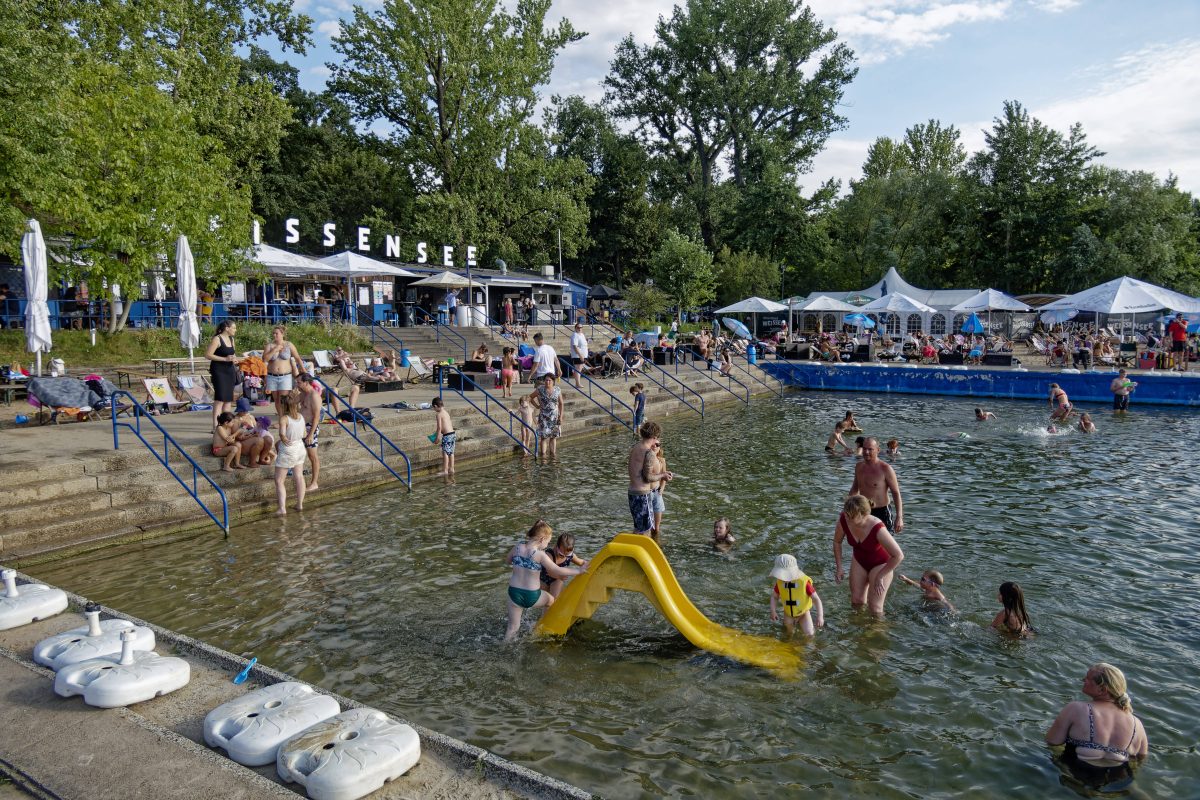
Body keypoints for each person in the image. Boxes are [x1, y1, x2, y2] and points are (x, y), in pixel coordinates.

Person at [1045, 663, 1148, 767]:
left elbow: (1052, 742)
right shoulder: (1137, 724)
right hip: (1120, 779)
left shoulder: (1076, 709)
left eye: (1088, 678)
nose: (1083, 680)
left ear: (1102, 689)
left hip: (1077, 773)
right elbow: (1140, 758)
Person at [504, 520, 583, 640]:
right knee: (552, 601)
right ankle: (540, 629)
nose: (547, 545)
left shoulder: (517, 547)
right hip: (531, 595)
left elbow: (508, 561)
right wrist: (578, 571)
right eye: (548, 541)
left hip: (513, 593)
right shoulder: (540, 555)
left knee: (512, 627)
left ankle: (505, 647)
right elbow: (557, 570)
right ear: (542, 539)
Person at [832, 494, 904, 616]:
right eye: (846, 514)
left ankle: (877, 633)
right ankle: (857, 630)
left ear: (864, 515)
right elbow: (837, 542)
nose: (847, 519)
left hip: (881, 564)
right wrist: (839, 567)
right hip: (859, 560)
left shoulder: (877, 527)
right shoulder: (844, 519)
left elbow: (898, 555)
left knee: (875, 609)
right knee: (856, 602)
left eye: (851, 516)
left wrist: (881, 576)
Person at [848, 437, 904, 533]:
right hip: (864, 511)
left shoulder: (886, 469)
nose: (866, 452)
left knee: (885, 545)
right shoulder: (859, 466)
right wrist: (847, 508)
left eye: (870, 449)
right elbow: (854, 489)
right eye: (864, 448)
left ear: (878, 450)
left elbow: (896, 493)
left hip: (882, 511)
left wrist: (899, 517)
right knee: (864, 543)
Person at [627, 421, 673, 536]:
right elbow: (648, 477)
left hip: (632, 492)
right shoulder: (648, 453)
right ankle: (640, 552)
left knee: (638, 528)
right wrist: (663, 475)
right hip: (642, 494)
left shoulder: (636, 447)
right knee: (645, 530)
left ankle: (632, 551)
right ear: (654, 436)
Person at [768, 554, 824, 636]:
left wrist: (820, 616)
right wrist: (773, 611)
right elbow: (774, 597)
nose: (782, 578)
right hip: (788, 614)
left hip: (803, 613)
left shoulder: (804, 582)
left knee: (810, 634)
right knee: (789, 633)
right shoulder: (780, 583)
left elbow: (816, 599)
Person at [273, 393, 307, 515]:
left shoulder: (284, 419)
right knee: (299, 476)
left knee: (279, 480)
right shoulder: (301, 416)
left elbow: (282, 434)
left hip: (289, 449)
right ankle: (300, 504)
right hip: (300, 447)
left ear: (283, 406)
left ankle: (282, 508)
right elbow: (303, 434)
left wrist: (283, 437)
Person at [203, 320, 239, 430]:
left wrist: (234, 359)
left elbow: (232, 353)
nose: (235, 330)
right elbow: (208, 355)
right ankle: (216, 425)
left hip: (229, 370)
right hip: (219, 370)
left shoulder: (231, 339)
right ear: (227, 328)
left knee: (228, 399)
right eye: (233, 328)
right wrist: (224, 359)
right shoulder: (217, 339)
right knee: (219, 399)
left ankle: (226, 423)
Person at [264, 325, 301, 417]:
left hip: (285, 376)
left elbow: (297, 358)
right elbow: (265, 359)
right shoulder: (270, 345)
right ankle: (281, 418)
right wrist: (275, 349)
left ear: (282, 334)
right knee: (276, 399)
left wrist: (303, 370)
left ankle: (287, 417)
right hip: (272, 376)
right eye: (273, 333)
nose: (274, 335)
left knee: (284, 399)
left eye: (276, 333)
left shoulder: (289, 344)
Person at [540, 533, 589, 598]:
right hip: (543, 579)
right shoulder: (549, 555)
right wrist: (559, 576)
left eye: (568, 555)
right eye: (561, 554)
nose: (564, 556)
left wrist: (589, 565)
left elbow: (582, 562)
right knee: (543, 598)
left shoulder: (571, 556)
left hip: (557, 579)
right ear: (556, 546)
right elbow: (550, 572)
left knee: (554, 600)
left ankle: (553, 604)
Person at [297, 374, 323, 490]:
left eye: (299, 382)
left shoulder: (314, 396)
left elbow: (316, 417)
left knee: (312, 456)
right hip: (301, 427)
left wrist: (311, 434)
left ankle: (314, 483)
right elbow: (290, 402)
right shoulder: (303, 394)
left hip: (310, 428)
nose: (297, 384)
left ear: (306, 382)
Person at [528, 374, 562, 458]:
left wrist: (561, 416)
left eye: (549, 380)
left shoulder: (557, 389)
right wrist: (537, 406)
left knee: (553, 436)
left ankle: (553, 454)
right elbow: (530, 397)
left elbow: (561, 403)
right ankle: (543, 456)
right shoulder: (540, 389)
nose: (547, 382)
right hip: (544, 416)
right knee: (543, 437)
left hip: (554, 416)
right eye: (546, 380)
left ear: (553, 381)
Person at [431, 396, 455, 475]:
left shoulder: (439, 415)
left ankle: (445, 470)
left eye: (433, 408)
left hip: (447, 435)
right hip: (452, 434)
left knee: (445, 452)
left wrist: (437, 438)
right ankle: (451, 468)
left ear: (435, 406)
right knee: (451, 452)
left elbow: (439, 428)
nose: (434, 410)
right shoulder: (446, 412)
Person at [650, 441, 668, 540]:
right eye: (653, 445)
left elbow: (664, 477)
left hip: (657, 493)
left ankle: (656, 542)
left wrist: (662, 489)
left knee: (656, 528)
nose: (655, 446)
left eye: (658, 445)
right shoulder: (646, 460)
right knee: (647, 525)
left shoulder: (662, 461)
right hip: (647, 493)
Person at [569, 322, 591, 388]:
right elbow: (575, 346)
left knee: (580, 368)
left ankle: (577, 383)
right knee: (578, 368)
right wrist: (580, 355)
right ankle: (577, 383)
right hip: (577, 355)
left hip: (583, 354)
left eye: (581, 327)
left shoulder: (581, 334)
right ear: (575, 328)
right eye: (578, 327)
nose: (579, 329)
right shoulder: (575, 335)